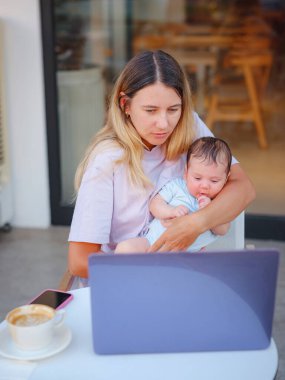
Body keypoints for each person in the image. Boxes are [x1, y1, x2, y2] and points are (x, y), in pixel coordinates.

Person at [68, 50, 255, 279]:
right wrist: (152, 267)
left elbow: (244, 189)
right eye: (150, 110)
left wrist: (195, 224)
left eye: (173, 109)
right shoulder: (108, 160)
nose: (164, 123)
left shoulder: (188, 126)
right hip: (127, 279)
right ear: (125, 105)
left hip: (178, 274)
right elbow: (78, 262)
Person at [115, 137, 232, 253]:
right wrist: (171, 211)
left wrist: (209, 212)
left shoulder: (219, 201)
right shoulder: (177, 186)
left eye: (214, 181)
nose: (205, 185)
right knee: (125, 248)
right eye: (197, 178)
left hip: (187, 256)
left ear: (226, 179)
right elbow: (154, 205)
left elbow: (223, 230)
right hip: (151, 244)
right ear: (186, 173)